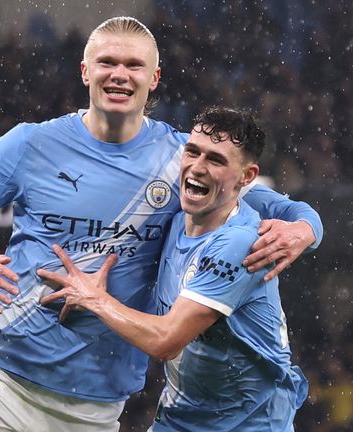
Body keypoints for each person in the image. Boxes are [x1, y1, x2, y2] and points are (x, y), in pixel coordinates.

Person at [0, 16, 323, 432]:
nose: (119, 75)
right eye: (107, 62)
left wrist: (305, 232)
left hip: (97, 408)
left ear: (154, 78)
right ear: (85, 70)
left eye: (134, 65)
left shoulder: (183, 158)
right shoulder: (29, 143)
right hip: (1, 379)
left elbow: (290, 209)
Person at [39, 107, 308, 430]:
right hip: (181, 420)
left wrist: (94, 298)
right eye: (192, 152)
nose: (197, 167)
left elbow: (165, 341)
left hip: (249, 425)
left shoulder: (240, 243)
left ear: (246, 177)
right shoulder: (176, 214)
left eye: (216, 160)